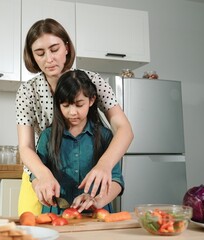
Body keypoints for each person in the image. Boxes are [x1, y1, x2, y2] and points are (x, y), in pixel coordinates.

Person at [15, 18, 133, 215]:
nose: (49, 59)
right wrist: (43, 175)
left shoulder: (92, 80)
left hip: (89, 176)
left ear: (67, 48)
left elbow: (124, 129)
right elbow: (25, 147)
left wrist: (104, 166)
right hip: (40, 173)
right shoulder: (27, 91)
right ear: (32, 56)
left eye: (55, 49)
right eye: (40, 53)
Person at [34, 69, 124, 213]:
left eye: (79, 104)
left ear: (92, 100)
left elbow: (117, 181)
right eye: (65, 105)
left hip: (96, 215)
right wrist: (40, 187)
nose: (72, 112)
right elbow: (36, 176)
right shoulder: (47, 136)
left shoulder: (105, 136)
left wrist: (97, 201)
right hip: (57, 215)